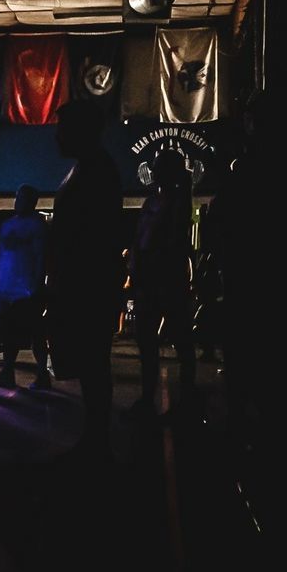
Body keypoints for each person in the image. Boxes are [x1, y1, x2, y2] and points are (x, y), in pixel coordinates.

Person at [45, 99, 123, 461]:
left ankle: (96, 440)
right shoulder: (88, 168)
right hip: (83, 280)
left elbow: (92, 237)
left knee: (93, 362)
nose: (57, 136)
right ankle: (94, 437)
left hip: (87, 283)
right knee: (90, 364)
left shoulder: (96, 171)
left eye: (62, 128)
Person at [126, 148, 196, 419]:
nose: (154, 172)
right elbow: (139, 237)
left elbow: (174, 235)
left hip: (168, 280)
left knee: (181, 340)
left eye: (159, 167)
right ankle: (146, 399)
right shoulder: (150, 202)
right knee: (145, 342)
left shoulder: (178, 201)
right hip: (147, 280)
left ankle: (186, 400)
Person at [0, 184, 50, 390]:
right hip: (5, 284)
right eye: (18, 197)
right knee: (7, 331)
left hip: (26, 286)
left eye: (23, 198)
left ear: (32, 202)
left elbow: (41, 256)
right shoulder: (7, 225)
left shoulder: (37, 225)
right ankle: (7, 372)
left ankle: (42, 373)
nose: (18, 202)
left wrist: (38, 283)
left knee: (35, 331)